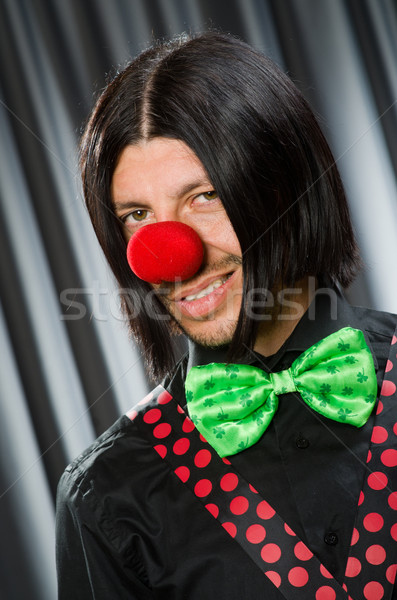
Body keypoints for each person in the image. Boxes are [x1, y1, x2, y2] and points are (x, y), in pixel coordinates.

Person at [55, 32, 397, 599]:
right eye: (138, 214)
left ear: (285, 184)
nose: (170, 252)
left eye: (204, 196)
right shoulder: (106, 499)